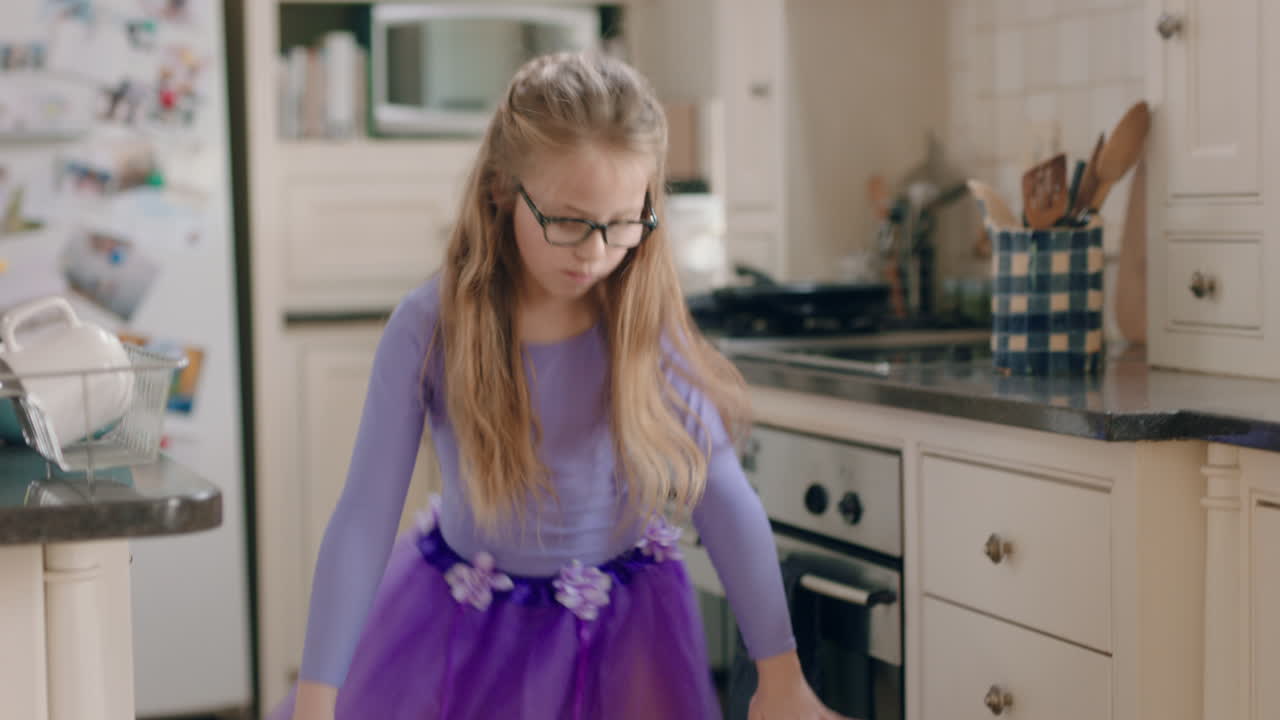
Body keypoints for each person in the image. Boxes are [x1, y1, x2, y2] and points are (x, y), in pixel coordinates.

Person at [274, 51, 849, 720]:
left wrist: (781, 676)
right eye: (570, 221)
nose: (596, 253)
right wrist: (317, 700)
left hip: (628, 635)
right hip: (466, 632)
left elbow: (721, 492)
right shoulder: (428, 327)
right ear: (500, 189)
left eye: (623, 223)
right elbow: (364, 519)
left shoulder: (640, 322)